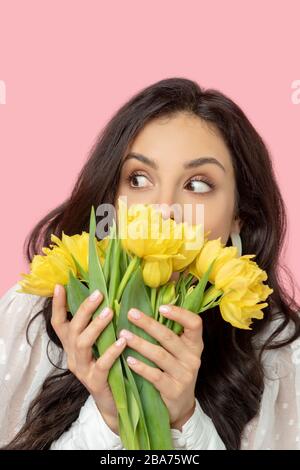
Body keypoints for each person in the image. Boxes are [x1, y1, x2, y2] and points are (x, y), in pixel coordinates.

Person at [1, 77, 299, 450]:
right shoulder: (29, 319)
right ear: (110, 198)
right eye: (138, 179)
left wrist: (182, 420)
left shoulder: (281, 358)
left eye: (198, 185)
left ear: (239, 216)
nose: (164, 210)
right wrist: (109, 418)